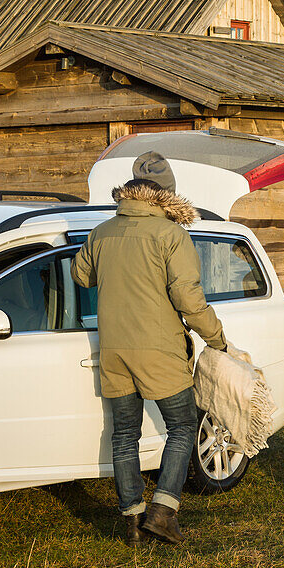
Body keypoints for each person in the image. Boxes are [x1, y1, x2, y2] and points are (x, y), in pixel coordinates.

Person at [72, 151, 227, 546]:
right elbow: (189, 299)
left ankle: (132, 522)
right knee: (184, 425)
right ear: (167, 195)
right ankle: (163, 511)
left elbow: (81, 274)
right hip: (158, 350)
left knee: (123, 433)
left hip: (113, 350)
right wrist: (217, 339)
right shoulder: (171, 235)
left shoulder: (102, 231)